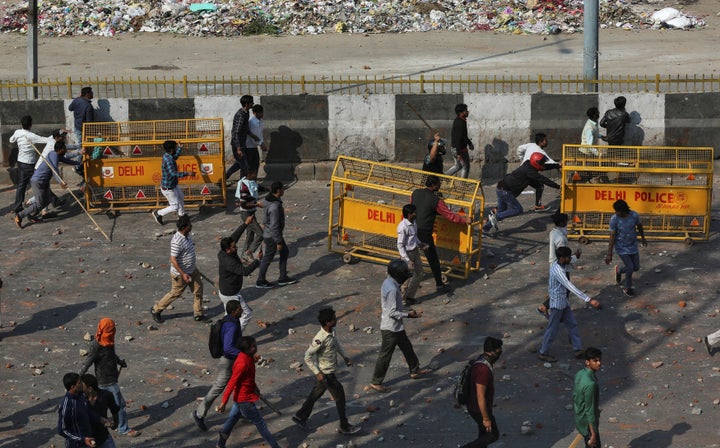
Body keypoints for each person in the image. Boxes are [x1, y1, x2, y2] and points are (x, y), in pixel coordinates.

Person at [292, 307, 361, 435]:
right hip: (326, 374)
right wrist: (317, 373)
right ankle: (344, 426)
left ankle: (300, 416)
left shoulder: (332, 331)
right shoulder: (320, 339)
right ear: (327, 322)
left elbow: (337, 344)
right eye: (334, 319)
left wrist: (345, 357)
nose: (336, 320)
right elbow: (307, 356)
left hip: (328, 373)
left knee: (315, 394)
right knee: (340, 397)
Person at [369, 259, 431, 393]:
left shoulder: (388, 282)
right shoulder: (392, 289)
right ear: (398, 275)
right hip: (390, 328)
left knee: (407, 348)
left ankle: (415, 370)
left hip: (396, 327)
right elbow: (391, 312)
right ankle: (376, 381)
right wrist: (408, 315)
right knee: (385, 355)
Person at [538, 247, 601, 363]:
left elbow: (571, 260)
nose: (569, 259)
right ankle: (543, 352)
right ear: (562, 258)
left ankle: (578, 349)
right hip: (557, 304)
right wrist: (589, 299)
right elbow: (569, 286)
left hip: (564, 302)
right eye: (568, 257)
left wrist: (577, 255)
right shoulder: (558, 271)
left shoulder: (561, 264)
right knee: (552, 329)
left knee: (572, 325)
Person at [79, 318, 139, 438]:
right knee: (119, 405)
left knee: (104, 404)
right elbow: (87, 363)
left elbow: (111, 355)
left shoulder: (109, 341)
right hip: (106, 380)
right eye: (110, 331)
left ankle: (106, 423)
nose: (112, 333)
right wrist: (78, 379)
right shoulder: (96, 346)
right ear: (102, 330)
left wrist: (119, 362)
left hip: (112, 377)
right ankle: (123, 428)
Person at [217, 336, 280, 448]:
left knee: (233, 419)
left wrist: (254, 387)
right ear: (246, 349)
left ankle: (220, 444)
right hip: (244, 400)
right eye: (252, 347)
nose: (255, 348)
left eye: (254, 345)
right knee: (261, 425)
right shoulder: (242, 363)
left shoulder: (249, 357)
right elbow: (232, 383)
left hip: (241, 397)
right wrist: (223, 402)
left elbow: (248, 377)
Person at [193, 299, 247, 432]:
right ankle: (199, 414)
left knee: (243, 383)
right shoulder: (232, 325)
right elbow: (228, 348)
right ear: (234, 312)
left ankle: (244, 411)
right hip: (229, 361)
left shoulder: (228, 320)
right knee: (218, 387)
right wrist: (242, 354)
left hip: (232, 359)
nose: (242, 310)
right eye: (240, 309)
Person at [411, 175, 469, 292]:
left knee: (409, 258)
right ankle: (439, 284)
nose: (440, 186)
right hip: (424, 233)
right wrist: (464, 220)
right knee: (433, 259)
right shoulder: (436, 200)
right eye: (438, 184)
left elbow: (413, 207)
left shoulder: (415, 193)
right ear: (434, 185)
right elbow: (450, 216)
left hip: (411, 230)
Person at [482, 153, 560, 234]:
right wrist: (558, 186)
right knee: (517, 209)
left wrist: (557, 165)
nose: (543, 164)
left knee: (501, 211)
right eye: (542, 163)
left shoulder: (529, 164)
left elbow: (544, 167)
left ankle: (485, 229)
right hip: (505, 191)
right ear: (536, 163)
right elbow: (543, 179)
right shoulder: (529, 171)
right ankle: (495, 217)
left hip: (501, 188)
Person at [150, 215, 208, 323]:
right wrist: (183, 273)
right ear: (184, 227)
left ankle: (198, 313)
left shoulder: (187, 235)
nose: (191, 226)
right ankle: (156, 309)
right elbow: (173, 259)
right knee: (175, 293)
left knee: (198, 289)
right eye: (189, 225)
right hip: (180, 274)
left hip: (192, 270)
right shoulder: (177, 241)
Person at [14, 141, 80, 229]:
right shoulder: (54, 155)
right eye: (65, 148)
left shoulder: (56, 155)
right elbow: (54, 169)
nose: (66, 150)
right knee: (39, 204)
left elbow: (67, 160)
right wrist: (60, 182)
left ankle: (32, 215)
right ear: (60, 149)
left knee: (48, 199)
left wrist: (79, 163)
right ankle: (19, 216)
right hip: (39, 181)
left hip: (44, 182)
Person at [460, 336, 503, 448]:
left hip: (476, 406)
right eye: (499, 351)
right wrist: (486, 418)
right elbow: (480, 395)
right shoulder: (483, 370)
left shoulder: (481, 360)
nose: (500, 354)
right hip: (478, 409)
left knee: (483, 435)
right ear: (492, 352)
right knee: (492, 435)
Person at [537, 212, 582, 317]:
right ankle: (546, 307)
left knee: (560, 290)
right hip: (560, 267)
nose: (567, 224)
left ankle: (554, 309)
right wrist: (576, 257)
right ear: (562, 223)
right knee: (564, 290)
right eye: (566, 222)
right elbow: (564, 258)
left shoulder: (554, 232)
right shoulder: (560, 239)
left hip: (554, 265)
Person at [256, 181, 297, 288]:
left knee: (284, 252)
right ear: (278, 190)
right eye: (282, 189)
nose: (283, 190)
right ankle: (261, 281)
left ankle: (283, 277)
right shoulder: (274, 207)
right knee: (268, 258)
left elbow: (262, 203)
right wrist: (278, 241)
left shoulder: (269, 199)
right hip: (272, 236)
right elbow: (274, 226)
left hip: (271, 234)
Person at [604, 199, 646, 297]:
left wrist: (643, 238)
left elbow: (639, 226)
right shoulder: (614, 219)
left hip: (632, 245)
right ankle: (628, 288)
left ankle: (619, 271)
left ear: (623, 210)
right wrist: (609, 254)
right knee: (630, 267)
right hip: (621, 247)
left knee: (636, 267)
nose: (616, 213)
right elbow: (612, 236)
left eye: (618, 211)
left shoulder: (634, 215)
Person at [10, 115, 48, 214]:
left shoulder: (18, 132)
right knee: (39, 182)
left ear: (22, 124)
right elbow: (45, 140)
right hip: (30, 164)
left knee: (21, 185)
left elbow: (11, 140)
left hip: (21, 162)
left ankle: (17, 206)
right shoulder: (32, 136)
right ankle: (49, 203)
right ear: (30, 125)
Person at [152, 140, 195, 226]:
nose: (176, 149)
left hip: (173, 185)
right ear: (171, 150)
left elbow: (175, 157)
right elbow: (173, 173)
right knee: (175, 206)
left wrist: (179, 148)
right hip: (168, 188)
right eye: (175, 148)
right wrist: (187, 173)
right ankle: (158, 213)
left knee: (181, 197)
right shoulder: (168, 160)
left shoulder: (168, 155)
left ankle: (182, 215)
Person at [516, 133, 561, 210]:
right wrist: (559, 164)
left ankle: (538, 205)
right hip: (527, 173)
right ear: (541, 142)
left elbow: (519, 149)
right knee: (515, 191)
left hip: (524, 169)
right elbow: (550, 162)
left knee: (539, 186)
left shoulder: (530, 145)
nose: (547, 142)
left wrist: (522, 159)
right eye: (546, 140)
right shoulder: (540, 152)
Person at [217, 237, 258, 319]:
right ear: (228, 250)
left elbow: (235, 235)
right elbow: (245, 272)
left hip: (225, 292)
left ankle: (225, 330)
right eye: (234, 247)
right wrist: (257, 260)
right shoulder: (230, 262)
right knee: (247, 314)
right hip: (231, 295)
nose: (236, 248)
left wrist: (245, 224)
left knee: (228, 316)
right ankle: (235, 332)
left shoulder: (222, 253)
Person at [57, 372, 99, 448]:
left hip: (88, 441)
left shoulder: (81, 396)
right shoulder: (67, 405)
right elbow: (62, 430)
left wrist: (100, 419)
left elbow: (87, 411)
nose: (82, 384)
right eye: (79, 383)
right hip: (76, 445)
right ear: (73, 387)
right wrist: (82, 439)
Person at [397, 204, 427, 305]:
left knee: (419, 273)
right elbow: (400, 245)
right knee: (406, 279)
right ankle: (401, 300)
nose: (416, 214)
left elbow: (414, 237)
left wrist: (420, 244)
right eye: (414, 212)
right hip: (407, 254)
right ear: (409, 214)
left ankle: (410, 296)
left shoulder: (413, 223)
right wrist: (407, 260)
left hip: (415, 252)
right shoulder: (403, 227)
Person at [573, 347, 603, 448]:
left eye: (599, 360)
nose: (599, 363)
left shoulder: (580, 374)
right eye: (595, 361)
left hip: (580, 418)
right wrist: (593, 434)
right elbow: (589, 411)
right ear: (587, 362)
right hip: (588, 424)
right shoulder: (591, 384)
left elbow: (575, 396)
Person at [80, 374, 119, 448]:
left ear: (90, 389)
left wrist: (115, 424)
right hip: (86, 439)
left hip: (103, 436)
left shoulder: (106, 395)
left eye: (82, 387)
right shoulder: (79, 399)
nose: (80, 389)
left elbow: (115, 410)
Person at [233, 169, 264, 261]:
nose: (256, 175)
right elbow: (243, 204)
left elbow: (258, 187)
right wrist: (256, 204)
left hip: (251, 212)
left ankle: (244, 256)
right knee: (260, 234)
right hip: (246, 214)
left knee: (250, 234)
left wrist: (270, 189)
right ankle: (249, 251)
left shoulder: (251, 182)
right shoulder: (245, 187)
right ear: (249, 174)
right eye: (254, 173)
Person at [226, 95, 256, 182]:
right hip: (238, 145)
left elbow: (245, 129)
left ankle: (223, 178)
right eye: (251, 103)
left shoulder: (246, 113)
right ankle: (243, 186)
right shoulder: (241, 115)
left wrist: (252, 135)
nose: (252, 104)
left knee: (239, 163)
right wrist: (238, 148)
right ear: (247, 104)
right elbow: (236, 132)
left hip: (242, 143)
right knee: (244, 166)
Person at [445, 103, 473, 178]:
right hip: (460, 150)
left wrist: (469, 143)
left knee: (458, 166)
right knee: (465, 167)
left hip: (456, 148)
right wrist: (458, 153)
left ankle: (443, 177)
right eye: (466, 111)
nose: (467, 112)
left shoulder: (460, 121)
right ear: (461, 113)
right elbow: (458, 138)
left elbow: (463, 136)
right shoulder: (460, 123)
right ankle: (463, 184)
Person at [245, 104, 266, 181]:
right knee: (251, 166)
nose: (262, 114)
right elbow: (252, 136)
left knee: (255, 164)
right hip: (249, 147)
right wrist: (261, 144)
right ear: (255, 113)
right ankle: (250, 182)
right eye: (260, 113)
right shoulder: (252, 122)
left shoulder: (260, 121)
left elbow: (260, 134)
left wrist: (262, 142)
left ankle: (253, 181)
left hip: (254, 146)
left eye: (262, 112)